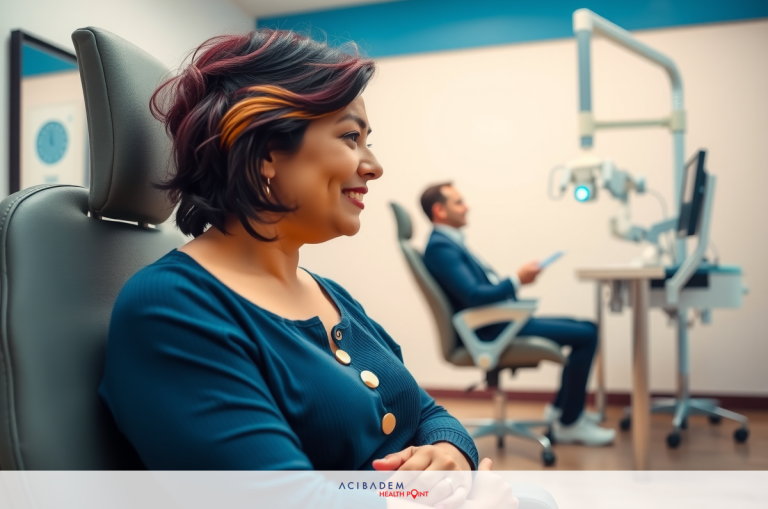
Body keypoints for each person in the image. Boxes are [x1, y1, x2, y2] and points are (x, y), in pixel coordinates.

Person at [98, 29, 517, 509]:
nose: (374, 166)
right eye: (350, 137)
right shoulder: (172, 309)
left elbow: (427, 410)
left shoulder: (330, 294)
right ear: (266, 153)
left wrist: (449, 452)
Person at [420, 182, 615, 446]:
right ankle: (569, 422)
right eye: (459, 202)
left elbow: (479, 290)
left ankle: (560, 411)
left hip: (498, 321)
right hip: (491, 329)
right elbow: (474, 296)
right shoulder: (440, 247)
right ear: (439, 211)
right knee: (587, 334)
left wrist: (515, 285)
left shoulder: (450, 243)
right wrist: (517, 280)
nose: (467, 207)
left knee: (585, 326)